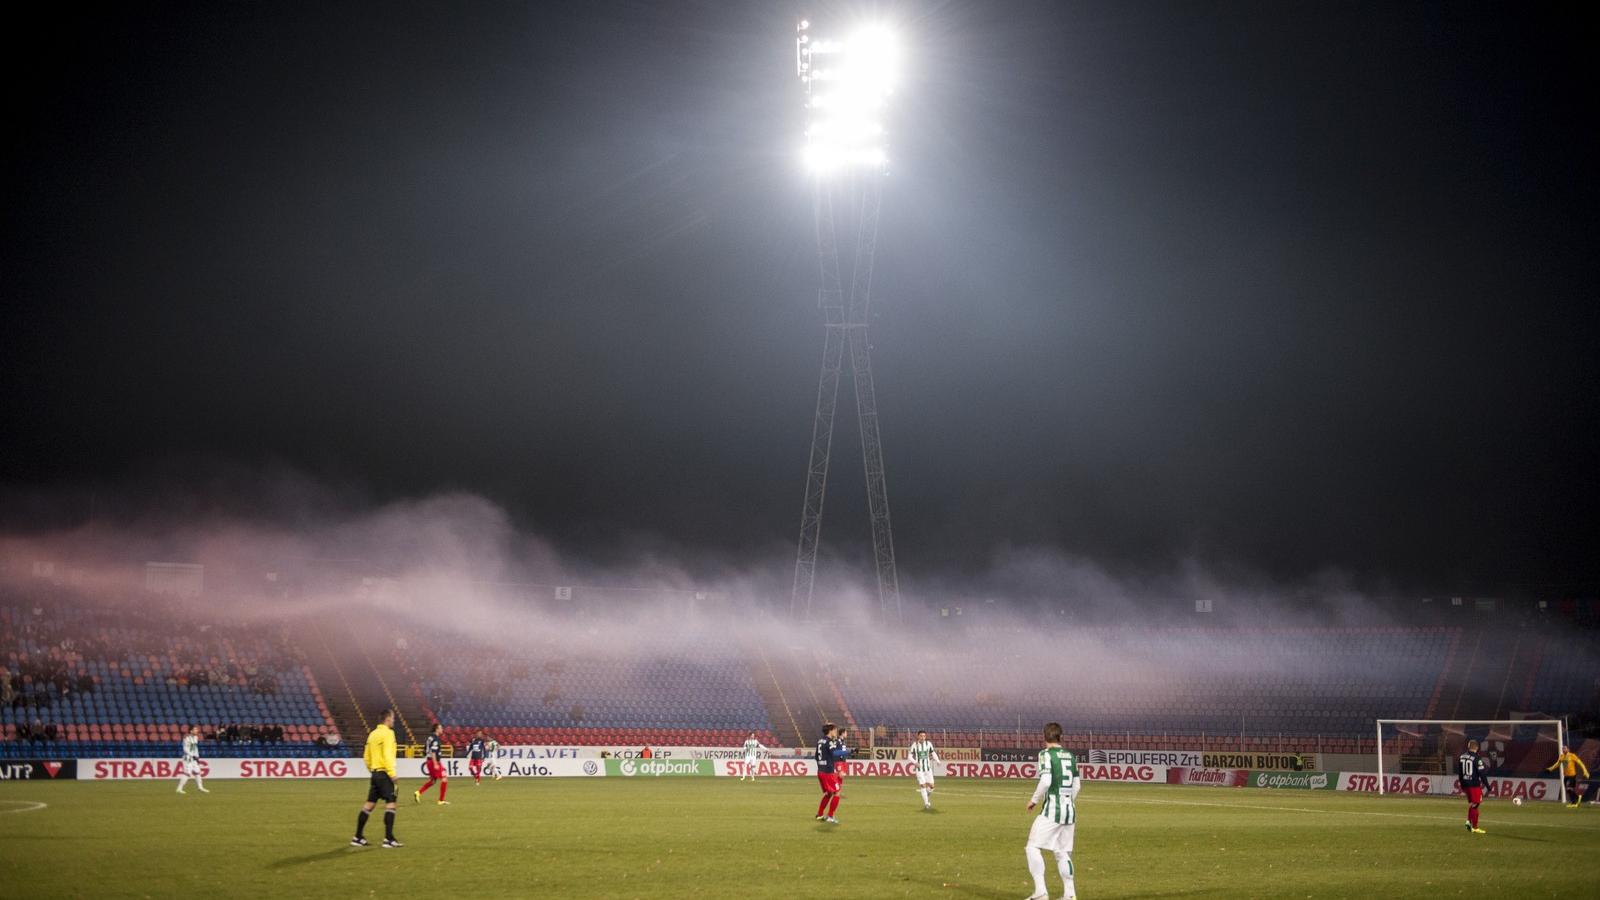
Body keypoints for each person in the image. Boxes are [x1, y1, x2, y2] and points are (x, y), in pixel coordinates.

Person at [1024, 722, 1080, 900]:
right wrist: (1067, 801)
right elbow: (1077, 785)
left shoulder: (1045, 754)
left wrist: (1034, 800)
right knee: (1062, 852)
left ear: (1044, 737)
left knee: (1032, 847)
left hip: (1052, 810)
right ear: (1060, 737)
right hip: (1069, 810)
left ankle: (1040, 892)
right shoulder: (1070, 756)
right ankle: (1069, 895)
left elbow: (1046, 781)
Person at [352, 709, 402, 848]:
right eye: (392, 718)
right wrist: (392, 773)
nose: (394, 720)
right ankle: (388, 839)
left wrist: (373, 769)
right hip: (384, 773)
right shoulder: (388, 734)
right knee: (391, 803)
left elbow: (366, 756)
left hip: (375, 773)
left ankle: (357, 836)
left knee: (369, 804)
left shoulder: (372, 734)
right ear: (387, 719)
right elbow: (387, 754)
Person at [814, 723, 851, 824]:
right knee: (837, 792)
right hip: (827, 772)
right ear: (830, 730)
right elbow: (835, 753)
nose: (836, 732)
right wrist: (849, 751)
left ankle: (820, 814)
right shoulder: (830, 741)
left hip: (820, 771)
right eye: (835, 730)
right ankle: (830, 816)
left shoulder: (820, 741)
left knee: (829, 793)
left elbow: (816, 757)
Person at [414, 722, 450, 805]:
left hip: (429, 761)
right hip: (433, 761)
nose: (442, 729)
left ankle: (418, 793)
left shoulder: (429, 738)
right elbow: (433, 752)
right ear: (437, 729)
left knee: (433, 781)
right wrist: (435, 764)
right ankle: (441, 800)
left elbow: (425, 749)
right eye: (441, 728)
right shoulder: (435, 739)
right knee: (444, 779)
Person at [1458, 738, 1488, 834]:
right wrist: (1487, 786)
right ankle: (1474, 826)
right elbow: (1482, 774)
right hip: (1474, 784)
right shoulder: (1477, 758)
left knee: (1474, 804)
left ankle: (1468, 822)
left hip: (1465, 783)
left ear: (1468, 747)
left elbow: (1459, 772)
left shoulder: (1462, 756)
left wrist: (1462, 783)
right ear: (1477, 748)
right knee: (1476, 804)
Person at [909, 729, 941, 810]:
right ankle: (926, 803)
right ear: (918, 736)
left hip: (928, 769)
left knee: (932, 786)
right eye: (921, 736)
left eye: (924, 736)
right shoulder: (915, 745)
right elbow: (909, 756)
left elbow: (933, 753)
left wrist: (937, 760)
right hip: (919, 769)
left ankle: (926, 795)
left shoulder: (928, 744)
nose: (923, 737)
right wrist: (914, 762)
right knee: (923, 785)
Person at [175, 724, 209, 795]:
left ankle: (200, 787)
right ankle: (179, 788)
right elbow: (185, 749)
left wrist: (197, 756)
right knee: (187, 773)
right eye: (195, 729)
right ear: (191, 731)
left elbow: (195, 748)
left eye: (197, 729)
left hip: (194, 758)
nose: (197, 730)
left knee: (197, 772)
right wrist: (192, 755)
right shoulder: (186, 738)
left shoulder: (196, 737)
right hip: (188, 758)